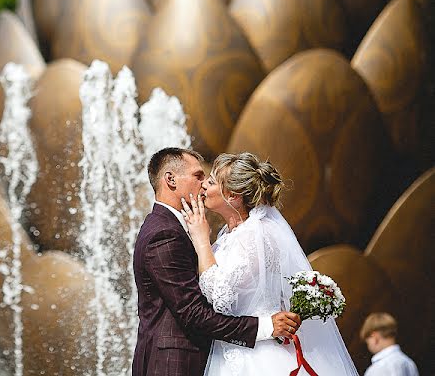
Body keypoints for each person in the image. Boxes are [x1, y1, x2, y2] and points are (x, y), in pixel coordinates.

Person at [181, 151, 359, 375]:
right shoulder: (229, 234)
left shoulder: (256, 235)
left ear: (233, 196)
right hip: (234, 347)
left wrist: (201, 240)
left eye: (213, 181)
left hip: (257, 356)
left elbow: (219, 297)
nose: (204, 184)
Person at [131, 147, 301, 376]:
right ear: (170, 179)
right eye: (198, 176)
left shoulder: (244, 235)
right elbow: (193, 312)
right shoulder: (164, 234)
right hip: (173, 363)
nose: (203, 184)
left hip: (238, 358)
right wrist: (265, 326)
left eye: (208, 179)